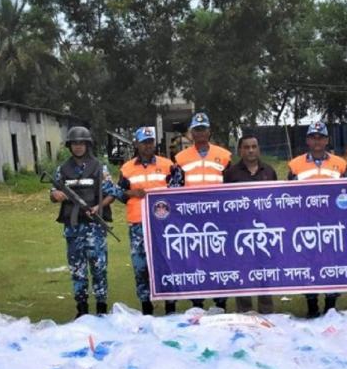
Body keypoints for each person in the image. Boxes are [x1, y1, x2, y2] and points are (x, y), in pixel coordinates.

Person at [50, 126, 118, 318]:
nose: (78, 147)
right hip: (73, 228)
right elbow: (52, 194)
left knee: (99, 269)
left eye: (81, 143)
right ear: (70, 146)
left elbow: (111, 193)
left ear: (87, 145)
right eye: (74, 143)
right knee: (77, 271)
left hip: (94, 227)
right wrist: (57, 195)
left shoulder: (99, 167)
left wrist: (99, 207)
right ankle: (82, 311)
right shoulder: (62, 169)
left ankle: (102, 309)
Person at [118, 126, 184, 315]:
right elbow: (119, 193)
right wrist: (131, 192)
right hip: (137, 224)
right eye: (144, 143)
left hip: (163, 225)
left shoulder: (168, 165)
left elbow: (178, 190)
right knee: (141, 267)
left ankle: (170, 307)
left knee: (166, 264)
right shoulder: (127, 168)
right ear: (137, 144)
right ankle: (146, 308)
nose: (148, 146)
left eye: (151, 142)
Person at [287, 121, 347, 318]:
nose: (317, 141)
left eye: (320, 137)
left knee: (332, 262)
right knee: (308, 264)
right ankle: (312, 305)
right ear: (307, 140)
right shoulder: (295, 165)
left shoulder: (340, 164)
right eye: (313, 137)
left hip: (333, 224)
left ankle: (330, 305)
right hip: (306, 225)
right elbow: (289, 196)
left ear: (327, 140)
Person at [174, 112, 232, 310]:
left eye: (203, 129)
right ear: (191, 132)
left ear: (209, 131)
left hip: (218, 218)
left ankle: (220, 302)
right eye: (196, 130)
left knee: (219, 260)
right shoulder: (180, 158)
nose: (200, 133)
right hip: (192, 219)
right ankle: (197, 303)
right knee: (194, 261)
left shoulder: (224, 156)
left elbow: (232, 187)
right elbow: (175, 190)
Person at [223, 133, 278, 314]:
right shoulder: (231, 174)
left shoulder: (269, 172)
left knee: (265, 272)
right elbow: (224, 203)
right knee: (243, 272)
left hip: (265, 232)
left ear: (259, 148)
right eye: (246, 147)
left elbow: (277, 201)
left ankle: (266, 311)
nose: (251, 150)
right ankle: (245, 312)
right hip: (241, 233)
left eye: (254, 146)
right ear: (240, 150)